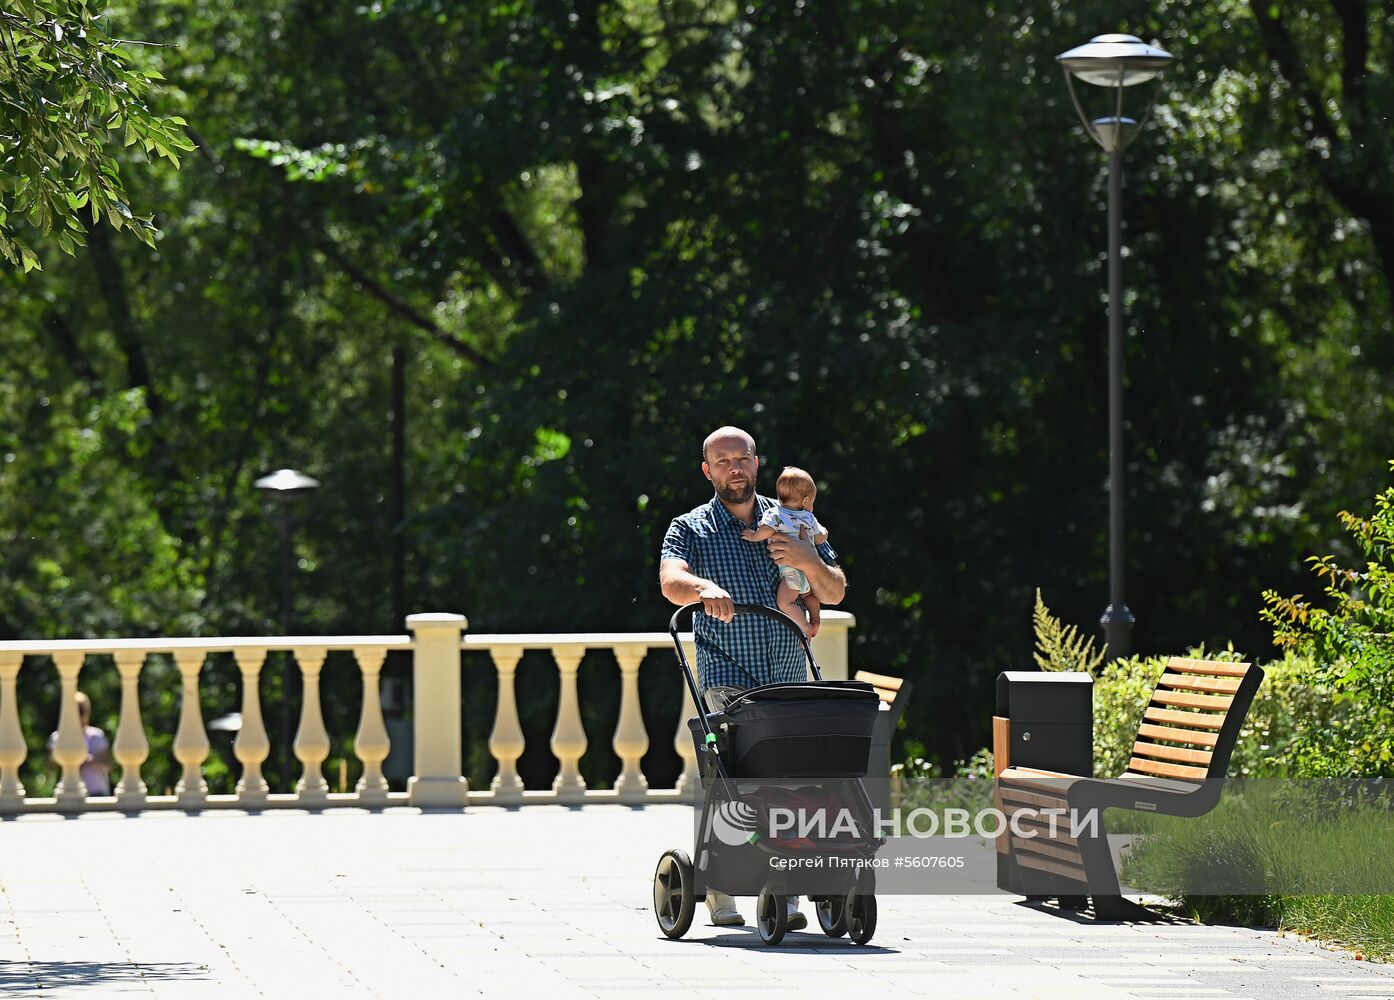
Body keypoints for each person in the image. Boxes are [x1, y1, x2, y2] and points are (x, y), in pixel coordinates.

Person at [659, 426, 846, 929]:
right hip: (728, 673)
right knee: (734, 779)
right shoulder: (691, 528)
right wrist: (702, 587)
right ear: (707, 470)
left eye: (741, 458)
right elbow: (670, 581)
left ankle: (784, 892)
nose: (734, 468)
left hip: (788, 674)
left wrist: (807, 559)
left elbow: (834, 590)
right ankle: (722, 884)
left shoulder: (789, 519)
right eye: (723, 462)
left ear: (757, 462)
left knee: (793, 781)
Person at [738, 466, 828, 638]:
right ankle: (815, 618)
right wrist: (824, 533)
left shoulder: (775, 513)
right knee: (808, 594)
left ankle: (805, 627)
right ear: (806, 501)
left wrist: (753, 536)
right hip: (809, 571)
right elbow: (819, 537)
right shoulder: (808, 517)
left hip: (791, 571)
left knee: (785, 601)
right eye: (813, 501)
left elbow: (766, 531)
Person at [47, 691, 112, 796]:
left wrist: (91, 760)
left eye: (81, 711)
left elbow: (108, 766)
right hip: (66, 792)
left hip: (96, 792)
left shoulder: (97, 736)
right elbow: (50, 768)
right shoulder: (57, 738)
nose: (78, 716)